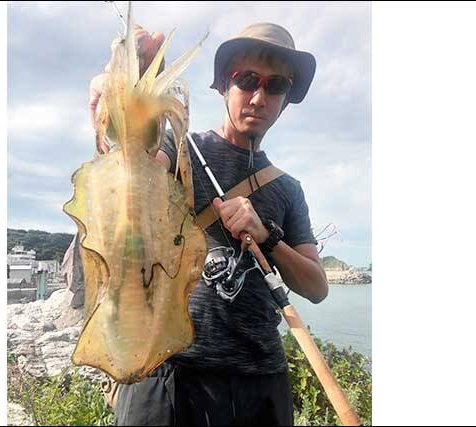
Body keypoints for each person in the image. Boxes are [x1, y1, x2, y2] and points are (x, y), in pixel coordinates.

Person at [87, 22, 329, 426]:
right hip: (169, 369)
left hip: (260, 383)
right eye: (246, 80)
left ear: (286, 100)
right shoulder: (178, 147)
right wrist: (120, 108)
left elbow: (317, 287)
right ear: (223, 87)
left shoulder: (288, 189)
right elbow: (130, 175)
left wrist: (267, 236)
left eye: (275, 86)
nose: (258, 97)